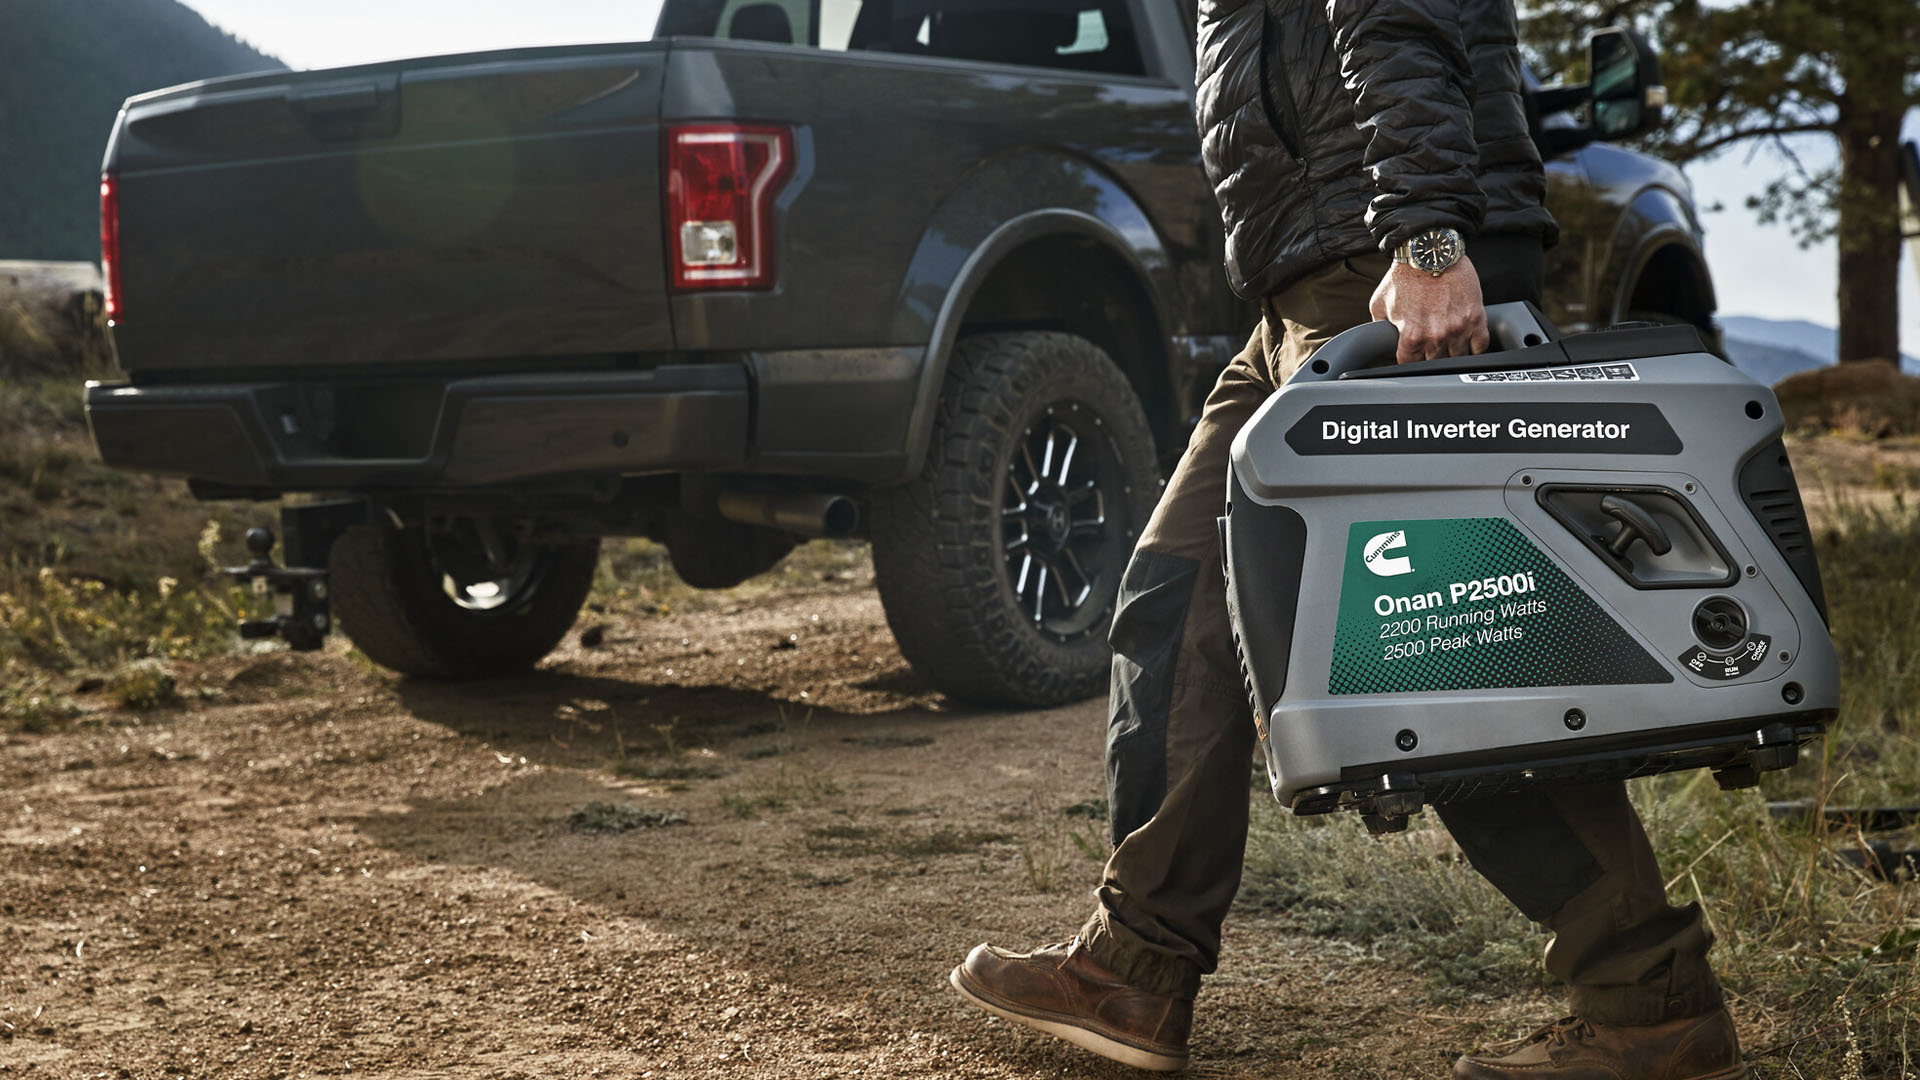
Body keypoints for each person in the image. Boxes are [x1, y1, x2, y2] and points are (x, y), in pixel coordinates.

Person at [947, 1, 1748, 1077]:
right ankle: (1133, 969)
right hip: (1301, 292)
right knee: (1175, 598)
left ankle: (1651, 1003)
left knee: (1445, 655)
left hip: (1392, 271)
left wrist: (1429, 238)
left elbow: (1399, 19)